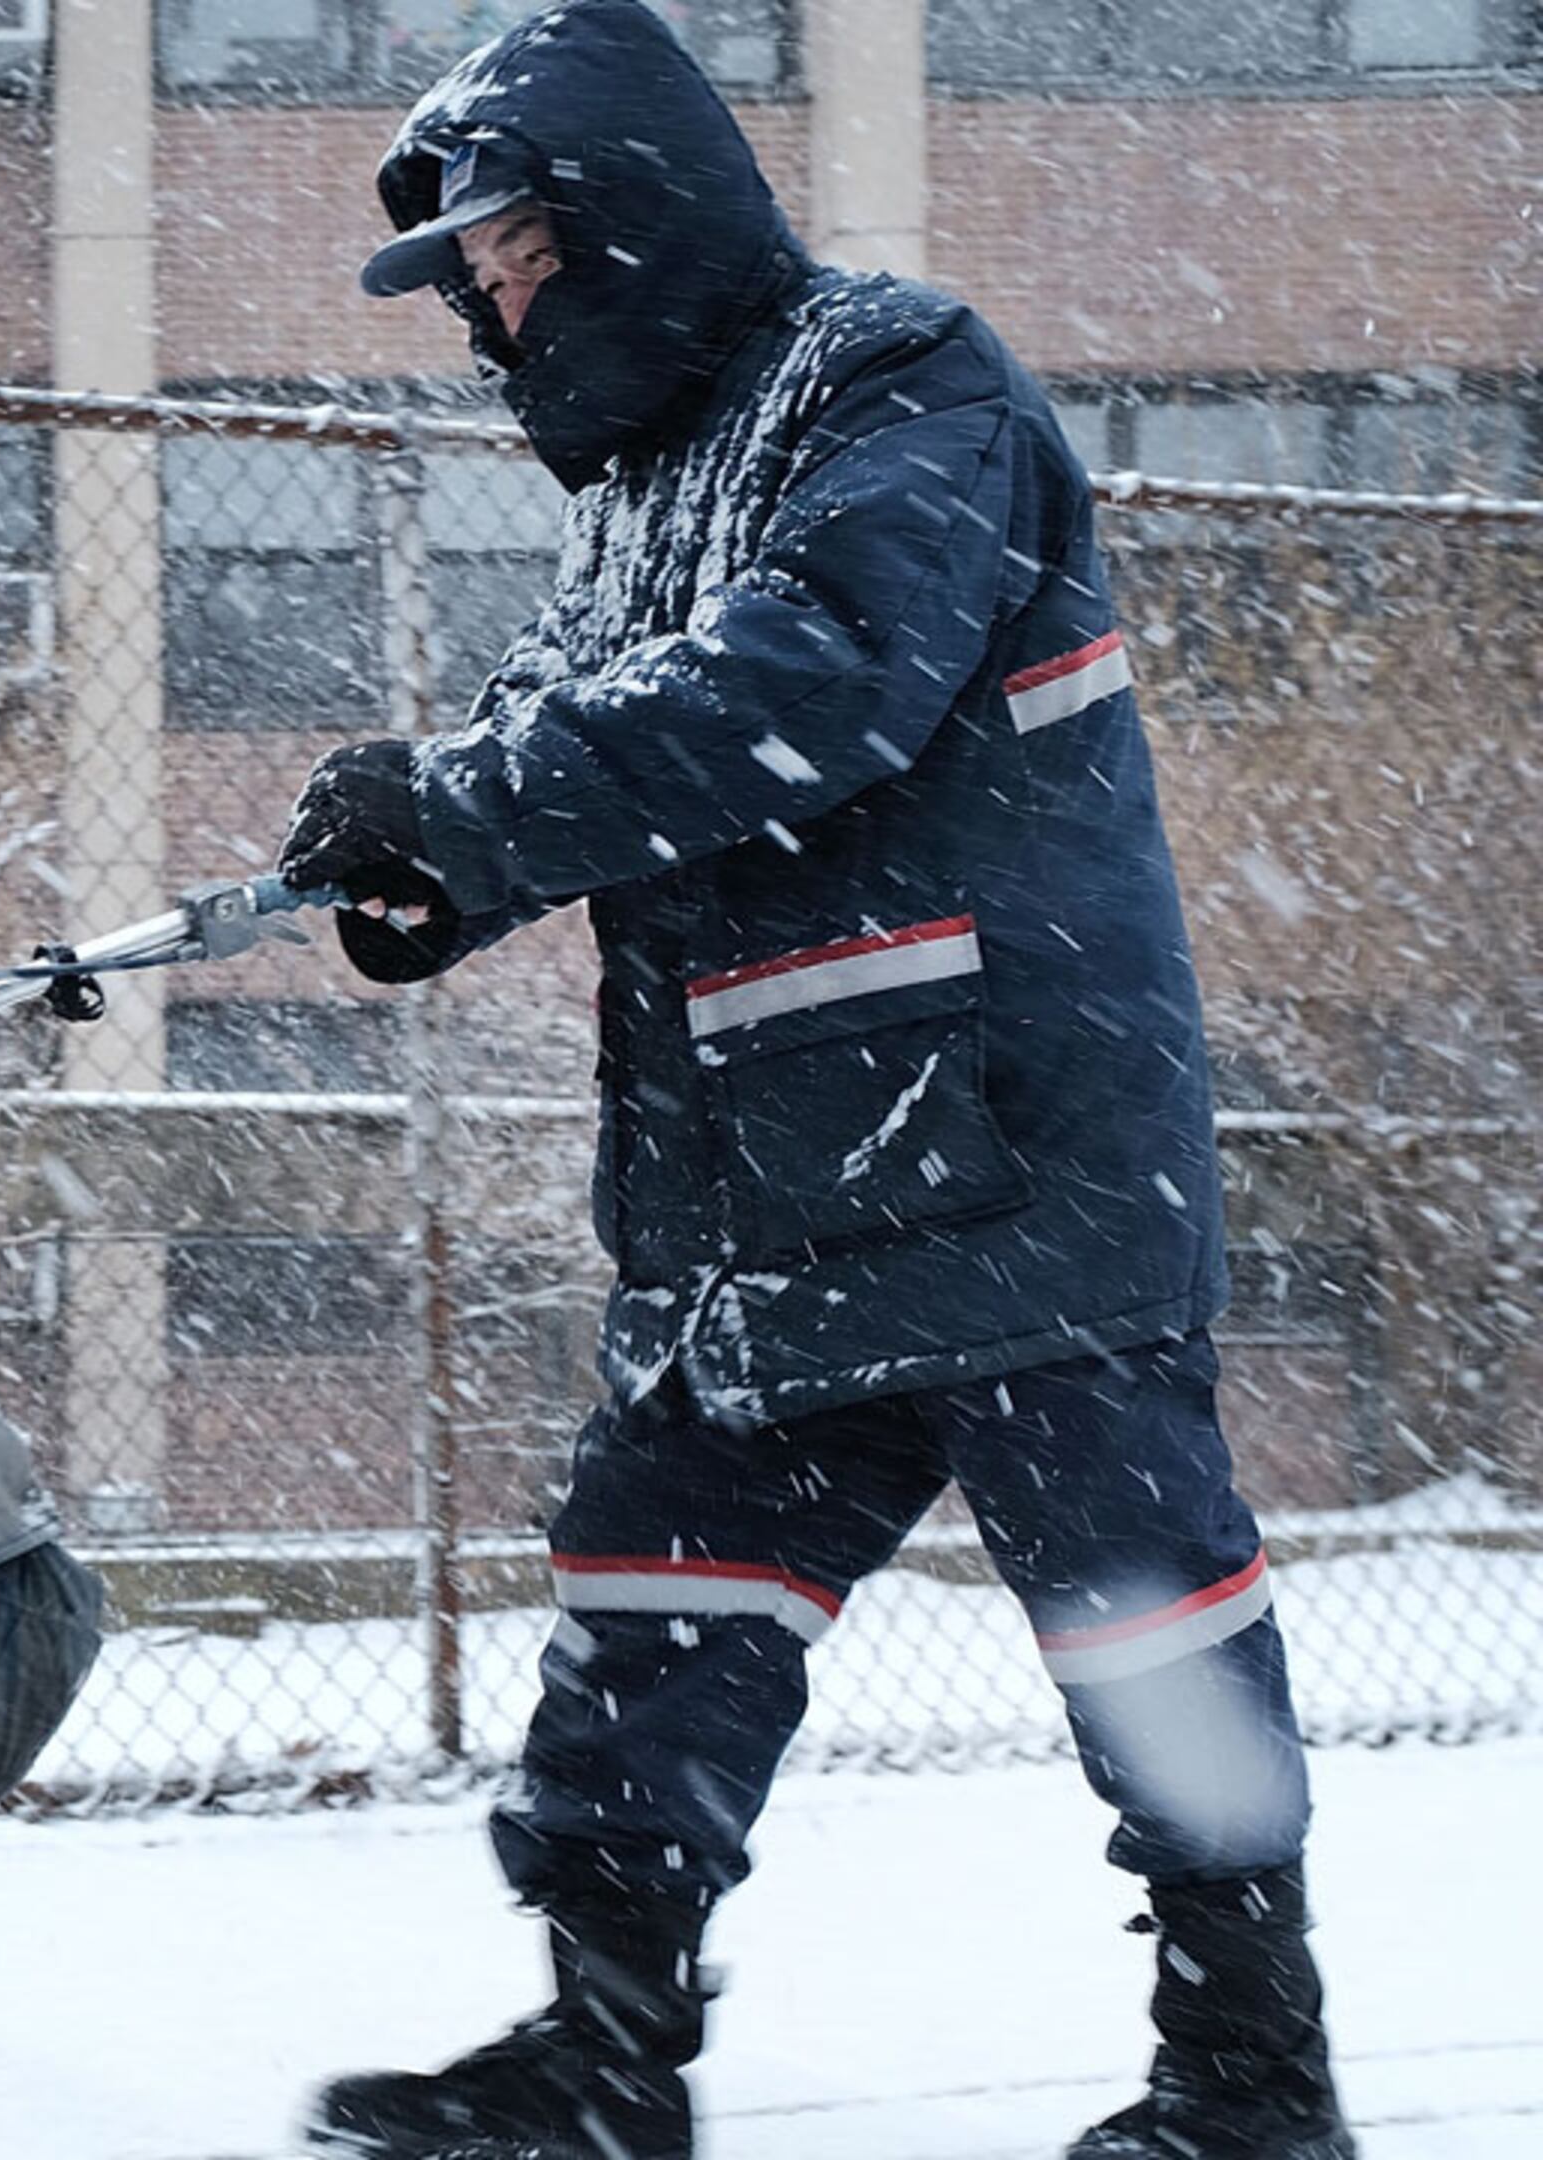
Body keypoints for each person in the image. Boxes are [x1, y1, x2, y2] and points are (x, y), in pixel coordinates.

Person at [273, 7, 1353, 2158]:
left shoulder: (894, 381)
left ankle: (1251, 2083)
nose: (488, 313)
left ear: (618, 220)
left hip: (1013, 1152)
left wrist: (479, 806)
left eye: (503, 259)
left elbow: (816, 680)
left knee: (1143, 1621)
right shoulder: (642, 498)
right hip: (754, 1180)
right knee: (651, 1596)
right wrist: (422, 871)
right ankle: (598, 2054)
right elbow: (571, 743)